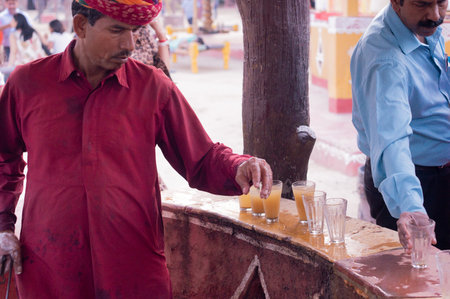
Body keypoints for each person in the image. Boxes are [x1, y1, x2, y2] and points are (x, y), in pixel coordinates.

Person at [0, 0, 273, 297]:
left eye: (134, 31)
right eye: (118, 30)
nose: (130, 44)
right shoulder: (27, 84)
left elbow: (202, 158)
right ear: (81, 26)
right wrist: (3, 224)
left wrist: (237, 167)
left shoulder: (154, 87)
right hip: (51, 267)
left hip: (133, 266)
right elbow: (4, 158)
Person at [351, 0, 450, 252]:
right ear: (396, 1)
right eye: (423, 4)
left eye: (442, 2)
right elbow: (391, 140)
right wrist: (411, 205)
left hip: (438, 175)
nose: (435, 15)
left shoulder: (420, 28)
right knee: (423, 278)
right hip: (415, 181)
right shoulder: (386, 61)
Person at [0, 13, 46, 78]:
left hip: (22, 65)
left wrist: (9, 67)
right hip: (36, 63)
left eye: (12, 20)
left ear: (17, 22)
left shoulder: (13, 35)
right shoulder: (32, 32)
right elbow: (40, 47)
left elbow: (13, 52)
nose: (10, 23)